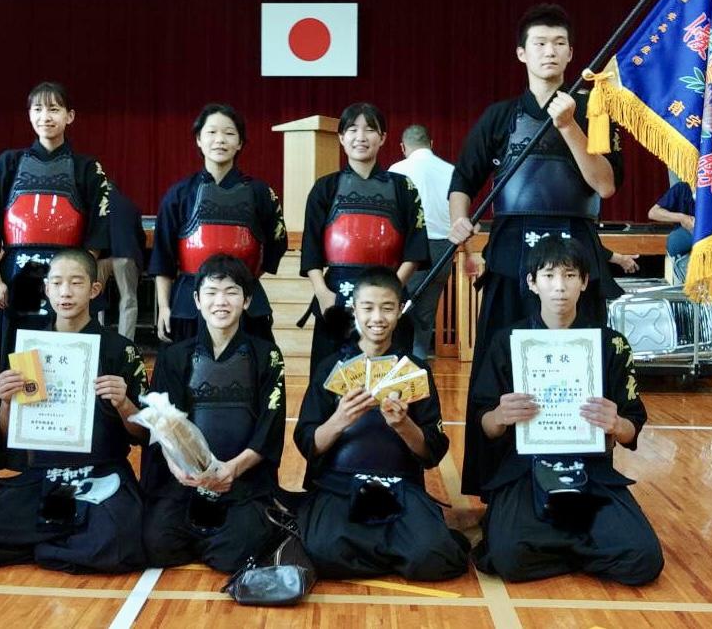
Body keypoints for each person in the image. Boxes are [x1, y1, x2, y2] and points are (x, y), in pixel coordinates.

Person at [449, 4, 622, 497]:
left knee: (584, 363)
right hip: (511, 256)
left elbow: (605, 185)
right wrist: (461, 219)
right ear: (522, 53)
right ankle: (497, 485)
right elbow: (464, 180)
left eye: (559, 43)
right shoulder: (500, 116)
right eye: (540, 43)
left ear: (571, 53)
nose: (550, 51)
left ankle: (582, 475)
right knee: (499, 363)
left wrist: (569, 126)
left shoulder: (595, 114)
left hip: (576, 254)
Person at [471, 235, 663, 585]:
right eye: (548, 276)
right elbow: (484, 423)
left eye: (570, 275)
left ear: (584, 282)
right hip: (525, 467)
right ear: (532, 283)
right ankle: (583, 550)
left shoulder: (611, 344)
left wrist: (616, 423)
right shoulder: (507, 341)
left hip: (591, 468)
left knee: (643, 559)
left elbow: (632, 424)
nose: (559, 286)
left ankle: (563, 548)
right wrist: (499, 415)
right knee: (509, 558)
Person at [0, 249, 148, 573]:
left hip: (99, 474)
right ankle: (61, 542)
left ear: (94, 290)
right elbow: (7, 433)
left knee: (117, 545)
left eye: (76, 283)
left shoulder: (120, 349)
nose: (65, 292)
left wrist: (125, 403)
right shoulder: (29, 346)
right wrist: (6, 401)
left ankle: (43, 543)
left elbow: (143, 434)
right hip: (44, 475)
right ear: (46, 289)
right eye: (56, 283)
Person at [0, 81, 110, 469]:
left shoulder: (88, 168)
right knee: (21, 363)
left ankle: (64, 450)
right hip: (21, 281)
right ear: (29, 115)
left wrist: (75, 283)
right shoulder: (9, 163)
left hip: (66, 280)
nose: (46, 117)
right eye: (38, 110)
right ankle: (18, 456)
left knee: (63, 364)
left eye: (54, 109)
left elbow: (97, 236)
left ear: (70, 117)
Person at [294, 267, 470, 581]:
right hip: (338, 485)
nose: (377, 318)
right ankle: (392, 553)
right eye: (368, 308)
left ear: (400, 310)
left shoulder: (414, 370)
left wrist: (403, 425)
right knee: (323, 553)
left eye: (387, 308)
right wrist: (340, 419)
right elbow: (308, 443)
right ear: (354, 310)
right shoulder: (330, 367)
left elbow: (432, 452)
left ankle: (388, 547)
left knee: (433, 557)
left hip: (400, 485)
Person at [141, 254, 286, 573]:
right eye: (211, 292)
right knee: (156, 544)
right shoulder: (174, 356)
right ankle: (208, 537)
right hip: (187, 480)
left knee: (237, 554)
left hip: (242, 480)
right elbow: (162, 423)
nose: (221, 301)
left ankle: (224, 535)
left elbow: (270, 426)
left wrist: (232, 469)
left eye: (231, 292)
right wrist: (178, 468)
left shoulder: (267, 355)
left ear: (247, 301)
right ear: (197, 300)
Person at [301, 103, 428, 376]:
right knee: (330, 378)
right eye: (352, 130)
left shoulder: (403, 187)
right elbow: (311, 249)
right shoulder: (324, 187)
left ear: (382, 138)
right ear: (341, 137)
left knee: (389, 379)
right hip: (336, 299)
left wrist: (391, 291)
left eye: (370, 129)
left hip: (388, 297)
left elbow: (415, 249)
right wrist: (323, 294)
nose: (361, 137)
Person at [150, 103, 287, 343]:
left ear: (240, 142)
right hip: (189, 303)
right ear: (199, 140)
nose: (220, 140)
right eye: (211, 132)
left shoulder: (260, 193)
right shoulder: (179, 194)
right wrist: (164, 306)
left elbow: (277, 242)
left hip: (245, 302)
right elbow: (163, 255)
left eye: (229, 133)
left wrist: (243, 279)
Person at [388, 124, 456, 360]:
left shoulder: (397, 170)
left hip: (411, 249)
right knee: (426, 314)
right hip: (445, 249)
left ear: (403, 147)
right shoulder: (451, 170)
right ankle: (418, 361)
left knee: (400, 307)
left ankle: (398, 361)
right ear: (431, 144)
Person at [96, 184, 146, 341]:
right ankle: (125, 342)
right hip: (125, 254)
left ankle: (95, 336)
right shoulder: (130, 205)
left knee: (92, 296)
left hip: (100, 255)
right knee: (128, 299)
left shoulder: (96, 203)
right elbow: (140, 237)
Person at [648, 180, 696, 282]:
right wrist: (681, 217)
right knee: (676, 241)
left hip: (711, 240)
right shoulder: (682, 188)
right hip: (683, 249)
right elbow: (653, 213)